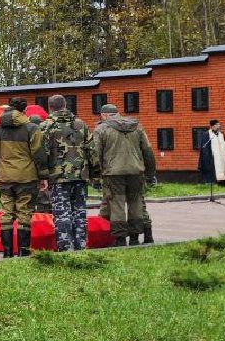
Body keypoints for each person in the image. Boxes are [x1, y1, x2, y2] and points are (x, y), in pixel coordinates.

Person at [90, 103, 156, 246]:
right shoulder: (137, 126)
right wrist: (150, 174)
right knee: (136, 203)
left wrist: (95, 176)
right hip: (136, 172)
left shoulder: (101, 129)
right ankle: (134, 238)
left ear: (104, 115)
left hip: (113, 173)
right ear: (117, 113)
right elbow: (148, 152)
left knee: (117, 204)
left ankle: (120, 240)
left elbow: (95, 155)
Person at [0, 97, 44, 256]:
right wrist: (43, 176)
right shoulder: (32, 128)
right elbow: (38, 154)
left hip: (5, 176)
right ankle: (23, 251)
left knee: (6, 212)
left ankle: (6, 252)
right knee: (24, 212)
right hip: (27, 176)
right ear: (24, 110)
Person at [39, 95, 90, 252]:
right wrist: (94, 173)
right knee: (79, 212)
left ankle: (66, 248)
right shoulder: (81, 124)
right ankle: (81, 245)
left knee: (62, 213)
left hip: (57, 177)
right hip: (80, 176)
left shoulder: (46, 126)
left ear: (50, 107)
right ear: (65, 105)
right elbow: (91, 150)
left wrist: (42, 176)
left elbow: (41, 153)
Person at [197, 120, 225, 186]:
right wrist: (207, 158)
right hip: (212, 157)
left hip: (221, 157)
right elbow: (204, 147)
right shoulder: (206, 134)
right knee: (212, 170)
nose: (219, 126)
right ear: (212, 126)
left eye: (219, 125)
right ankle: (212, 183)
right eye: (217, 125)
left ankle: (221, 184)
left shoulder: (221, 134)